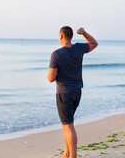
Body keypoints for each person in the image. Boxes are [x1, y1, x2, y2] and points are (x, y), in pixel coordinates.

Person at [47, 26, 98, 158]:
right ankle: (67, 152)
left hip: (64, 93)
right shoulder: (78, 48)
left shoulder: (56, 54)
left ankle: (73, 156)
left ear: (61, 36)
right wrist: (84, 33)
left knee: (68, 125)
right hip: (77, 91)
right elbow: (94, 43)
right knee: (66, 123)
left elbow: (50, 78)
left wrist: (57, 73)